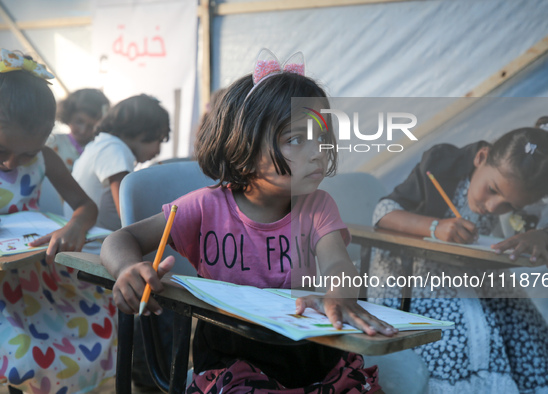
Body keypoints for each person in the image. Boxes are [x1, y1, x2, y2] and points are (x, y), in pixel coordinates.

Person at [100, 49, 395, 393]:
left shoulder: (316, 207)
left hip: (312, 354)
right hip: (231, 362)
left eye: (321, 137)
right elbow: (119, 240)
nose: (317, 152)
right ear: (244, 146)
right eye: (296, 139)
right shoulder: (204, 207)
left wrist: (340, 295)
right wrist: (127, 269)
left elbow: (338, 264)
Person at [368, 115, 548, 392]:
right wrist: (435, 227)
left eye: (508, 205)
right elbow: (383, 215)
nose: (493, 207)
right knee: (464, 331)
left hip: (479, 281)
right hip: (416, 277)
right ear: (481, 157)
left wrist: (543, 236)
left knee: (527, 332)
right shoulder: (443, 165)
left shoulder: (519, 189)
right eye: (492, 190)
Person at [0, 49, 116, 393]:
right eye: (1, 150)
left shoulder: (46, 158)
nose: (10, 164)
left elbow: (85, 206)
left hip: (36, 272)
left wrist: (75, 226)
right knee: (18, 350)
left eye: (27, 154)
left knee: (92, 320)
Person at [68, 94, 170, 231]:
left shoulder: (101, 144)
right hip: (98, 246)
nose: (158, 151)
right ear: (141, 131)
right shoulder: (114, 149)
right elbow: (128, 215)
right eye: (160, 139)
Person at [46, 88, 110, 171]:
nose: (83, 131)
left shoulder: (99, 152)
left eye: (91, 126)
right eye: (79, 122)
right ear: (68, 115)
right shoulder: (52, 142)